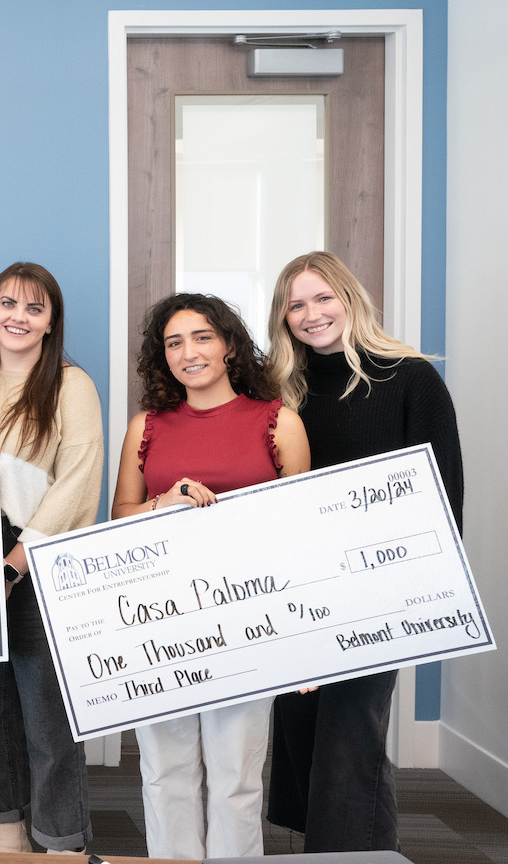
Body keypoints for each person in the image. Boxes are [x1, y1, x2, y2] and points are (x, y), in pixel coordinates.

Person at [263, 251, 464, 853]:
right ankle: (326, 849)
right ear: (283, 318)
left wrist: (428, 590)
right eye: (296, 304)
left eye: (323, 298)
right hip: (296, 590)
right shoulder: (279, 393)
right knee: (300, 727)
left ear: (350, 299)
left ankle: (354, 854)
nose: (311, 313)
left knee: (351, 734)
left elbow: (445, 491)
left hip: (378, 591)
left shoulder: (410, 378)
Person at [109, 292, 310, 860]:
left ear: (229, 347)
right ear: (162, 357)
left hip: (248, 617)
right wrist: (163, 502)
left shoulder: (279, 421)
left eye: (201, 337)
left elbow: (302, 528)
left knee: (236, 777)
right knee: (164, 772)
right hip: (161, 617)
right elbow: (120, 517)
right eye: (174, 342)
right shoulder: (146, 426)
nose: (188, 352)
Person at [0, 263, 102, 858]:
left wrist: (16, 560)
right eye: (8, 303)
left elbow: (80, 480)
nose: (18, 317)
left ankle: (61, 845)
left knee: (46, 719)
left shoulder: (70, 384)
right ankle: (7, 837)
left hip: (36, 556)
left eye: (35, 308)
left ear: (51, 321)